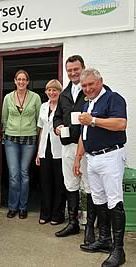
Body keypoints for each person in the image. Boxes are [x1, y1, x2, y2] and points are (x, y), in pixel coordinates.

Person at [73, 68, 127, 267]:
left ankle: (118, 250)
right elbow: (83, 134)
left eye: (91, 85)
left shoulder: (113, 98)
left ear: (100, 81)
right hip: (92, 158)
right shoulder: (89, 104)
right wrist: (78, 157)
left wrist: (94, 120)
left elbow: (121, 123)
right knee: (99, 200)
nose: (87, 89)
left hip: (110, 156)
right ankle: (104, 240)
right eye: (84, 86)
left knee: (115, 202)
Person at [53, 55, 97, 243]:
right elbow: (57, 116)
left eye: (76, 69)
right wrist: (57, 126)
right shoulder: (64, 94)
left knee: (89, 185)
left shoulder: (90, 91)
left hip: (86, 147)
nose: (72, 73)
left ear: (83, 68)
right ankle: (73, 223)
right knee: (70, 184)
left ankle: (89, 227)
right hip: (67, 146)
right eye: (69, 70)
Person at [2, 69, 41, 219]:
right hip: (11, 139)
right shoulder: (8, 98)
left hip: (29, 139)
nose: (21, 82)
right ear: (15, 81)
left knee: (24, 174)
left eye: (24, 79)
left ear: (28, 81)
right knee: (14, 174)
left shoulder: (35, 97)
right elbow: (4, 118)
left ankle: (23, 207)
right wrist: (4, 134)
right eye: (19, 79)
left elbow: (39, 119)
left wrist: (38, 138)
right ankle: (13, 206)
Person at [35, 79, 66, 225]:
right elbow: (41, 129)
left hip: (59, 149)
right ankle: (45, 213)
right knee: (45, 182)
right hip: (44, 149)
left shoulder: (63, 107)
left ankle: (57, 215)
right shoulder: (43, 106)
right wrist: (38, 153)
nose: (52, 93)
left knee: (59, 183)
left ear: (60, 92)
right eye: (49, 90)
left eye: (55, 90)